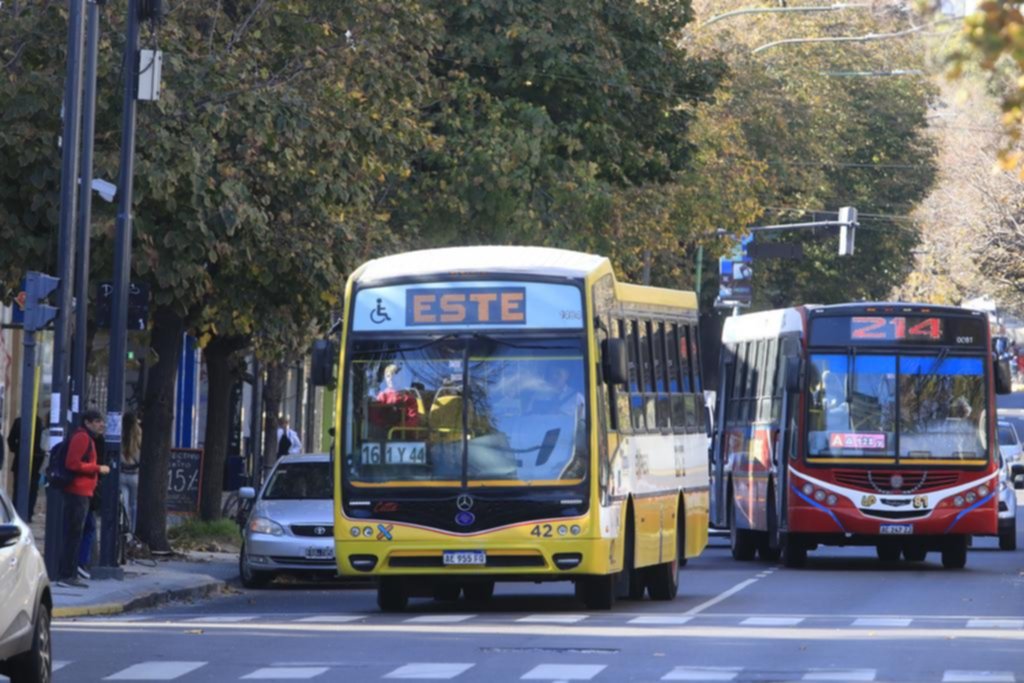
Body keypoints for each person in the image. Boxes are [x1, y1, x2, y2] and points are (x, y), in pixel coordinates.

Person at [59, 409, 110, 588]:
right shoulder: (82, 438)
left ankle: (73, 571)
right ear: (87, 423)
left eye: (101, 421)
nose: (101, 424)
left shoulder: (88, 438)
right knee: (74, 533)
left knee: (80, 531)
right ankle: (67, 575)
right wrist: (97, 468)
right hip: (77, 492)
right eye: (97, 421)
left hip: (84, 492)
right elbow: (72, 463)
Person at [7, 415, 45, 523]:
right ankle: (28, 513)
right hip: (36, 460)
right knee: (32, 488)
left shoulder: (19, 421)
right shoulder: (40, 422)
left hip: (21, 459)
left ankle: (16, 513)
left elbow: (10, 440)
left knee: (18, 487)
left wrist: (17, 449)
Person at [120, 412, 142, 534]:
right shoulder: (139, 436)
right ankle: (132, 532)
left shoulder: (120, 435)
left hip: (122, 473)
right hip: (135, 475)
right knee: (134, 505)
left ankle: (124, 529)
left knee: (124, 504)